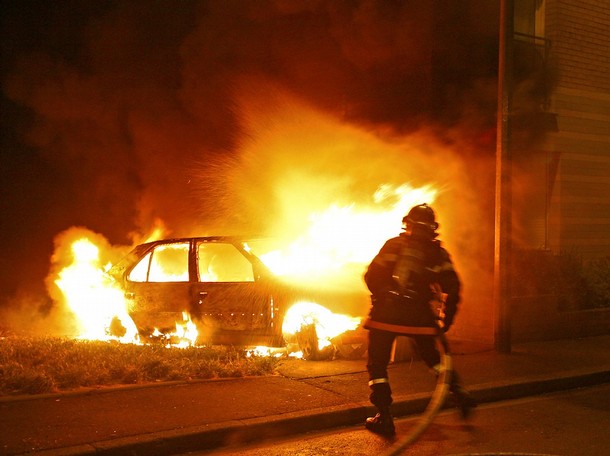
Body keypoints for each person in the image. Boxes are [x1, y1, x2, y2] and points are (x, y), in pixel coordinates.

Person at [362, 203, 476, 436]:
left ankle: (384, 416)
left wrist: (384, 294)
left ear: (408, 224)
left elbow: (371, 276)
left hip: (385, 316)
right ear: (433, 228)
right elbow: (453, 287)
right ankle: (459, 393)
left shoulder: (393, 245)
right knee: (434, 359)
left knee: (377, 365)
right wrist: (446, 320)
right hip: (420, 318)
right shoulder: (438, 254)